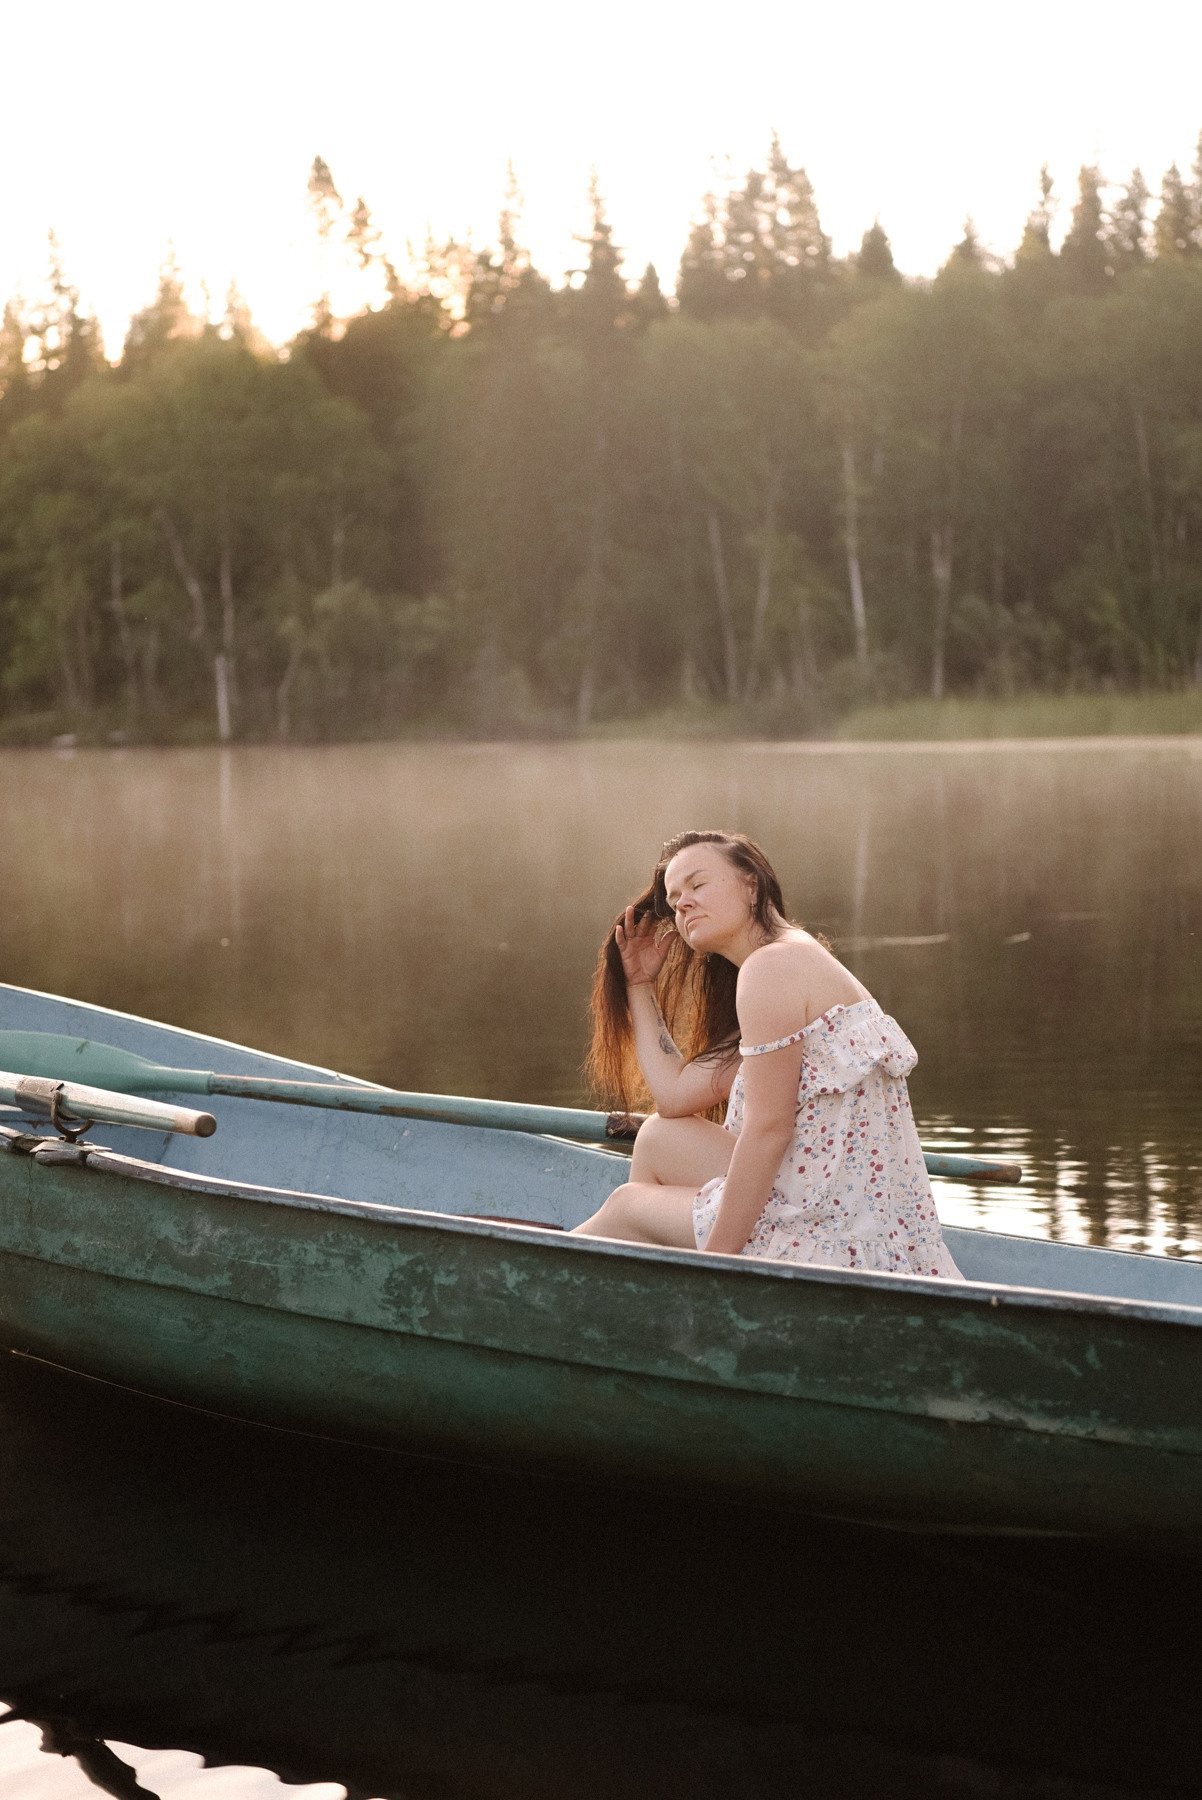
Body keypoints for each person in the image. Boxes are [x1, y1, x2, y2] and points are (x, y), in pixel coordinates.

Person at [572, 830, 962, 1278]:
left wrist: (715, 1264)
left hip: (830, 1235)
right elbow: (675, 1097)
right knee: (661, 1136)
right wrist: (639, 983)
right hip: (847, 1209)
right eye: (674, 897)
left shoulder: (770, 969)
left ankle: (590, 1287)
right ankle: (653, 1289)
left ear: (751, 884)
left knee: (627, 1206)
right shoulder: (789, 962)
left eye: (697, 885)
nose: (681, 903)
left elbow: (769, 1129)